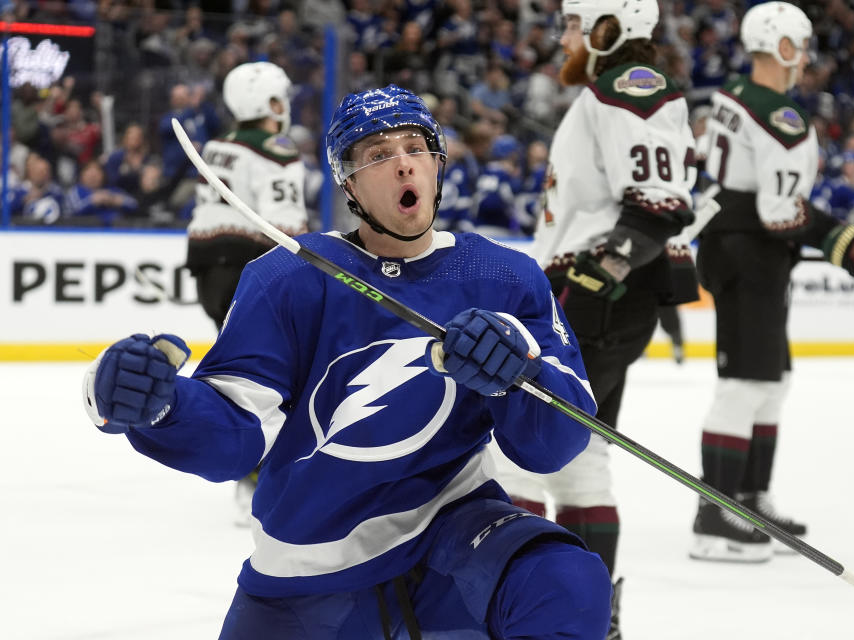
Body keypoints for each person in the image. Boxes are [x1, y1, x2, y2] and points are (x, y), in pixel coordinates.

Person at [80, 84, 612, 639]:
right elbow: (234, 437)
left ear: (438, 165)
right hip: (308, 574)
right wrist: (163, 407)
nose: (404, 165)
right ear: (349, 183)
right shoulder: (288, 279)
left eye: (416, 148)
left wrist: (519, 374)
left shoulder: (504, 277)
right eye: (378, 155)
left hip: (450, 537)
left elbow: (555, 445)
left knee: (563, 581)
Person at [491, 1, 699, 637]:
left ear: (610, 28)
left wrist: (596, 273)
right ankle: (585, 613)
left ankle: (524, 608)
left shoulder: (629, 88)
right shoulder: (605, 94)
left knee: (517, 451)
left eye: (576, 24)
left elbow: (660, 204)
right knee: (583, 458)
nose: (565, 37)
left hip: (596, 299)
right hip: (603, 297)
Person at [691, 1, 854, 563]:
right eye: (798, 46)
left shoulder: (729, 93)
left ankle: (749, 499)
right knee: (744, 387)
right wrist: (842, 241)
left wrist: (836, 238)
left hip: (737, 247)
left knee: (771, 380)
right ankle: (714, 514)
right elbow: (781, 214)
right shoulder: (785, 121)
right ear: (783, 48)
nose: (803, 57)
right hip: (750, 253)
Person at [183, 61, 308, 524]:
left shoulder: (217, 146)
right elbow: (287, 224)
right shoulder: (278, 150)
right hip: (249, 269)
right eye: (282, 98)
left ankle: (249, 476)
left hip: (207, 268)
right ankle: (266, 480)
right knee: (284, 375)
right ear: (269, 104)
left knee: (244, 372)